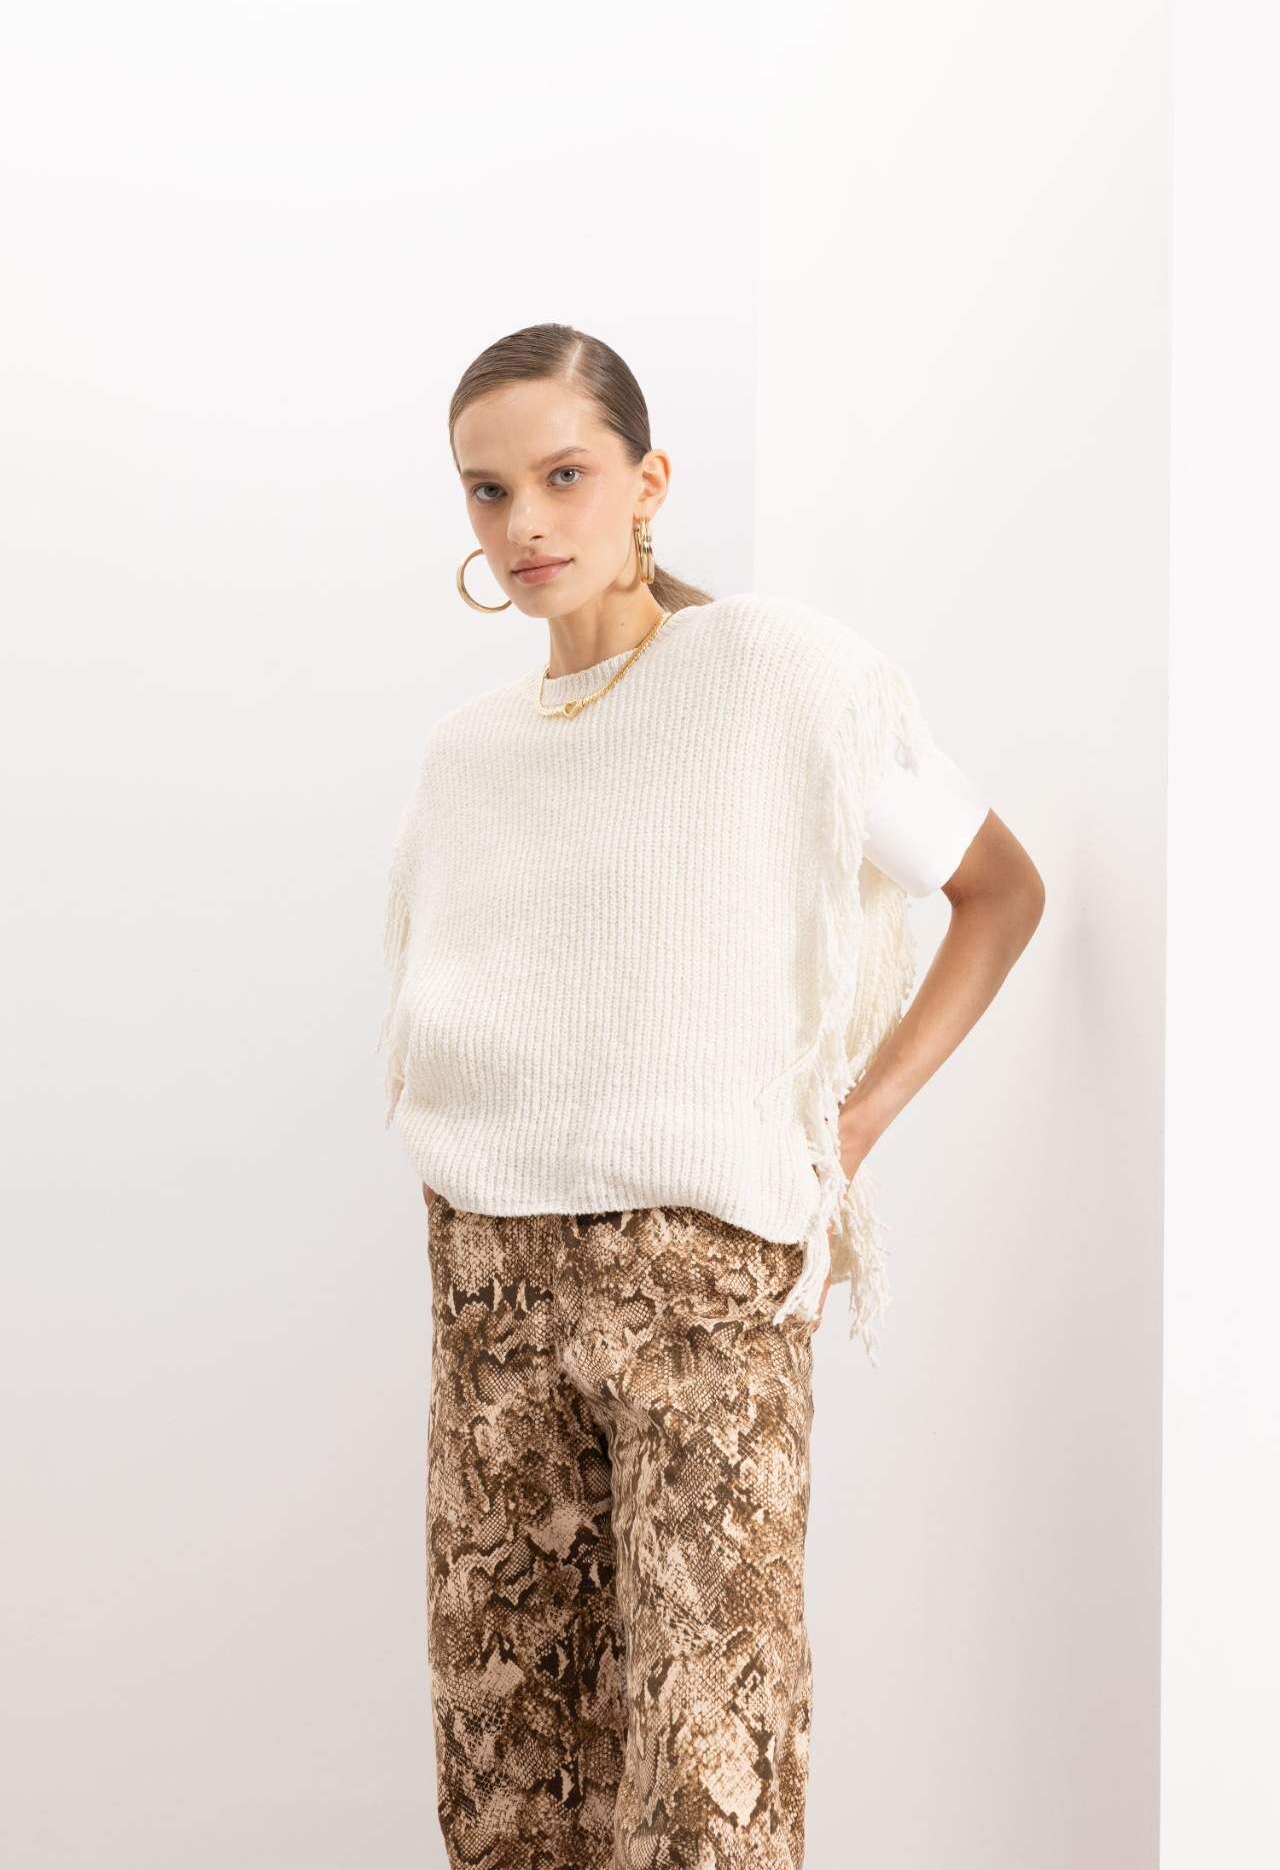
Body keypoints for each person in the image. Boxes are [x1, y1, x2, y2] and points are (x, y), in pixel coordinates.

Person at [377, 323, 1044, 1868]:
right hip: (488, 1298)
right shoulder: (465, 758)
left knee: (708, 1788)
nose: (527, 522)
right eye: (490, 491)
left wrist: (852, 1124)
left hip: (704, 1296)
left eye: (565, 475)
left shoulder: (776, 677)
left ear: (648, 478)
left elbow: (1000, 892)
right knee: (510, 1785)